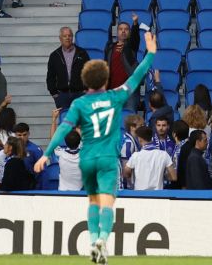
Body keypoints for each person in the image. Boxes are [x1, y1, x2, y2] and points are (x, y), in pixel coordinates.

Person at [35, 23, 158, 265]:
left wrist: (46, 153)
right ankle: (103, 238)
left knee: (92, 200)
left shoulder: (80, 104)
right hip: (109, 158)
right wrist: (151, 53)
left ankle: (93, 241)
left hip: (88, 158)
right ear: (105, 78)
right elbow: (137, 75)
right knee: (107, 202)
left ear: (85, 80)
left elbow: (63, 128)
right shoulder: (116, 95)